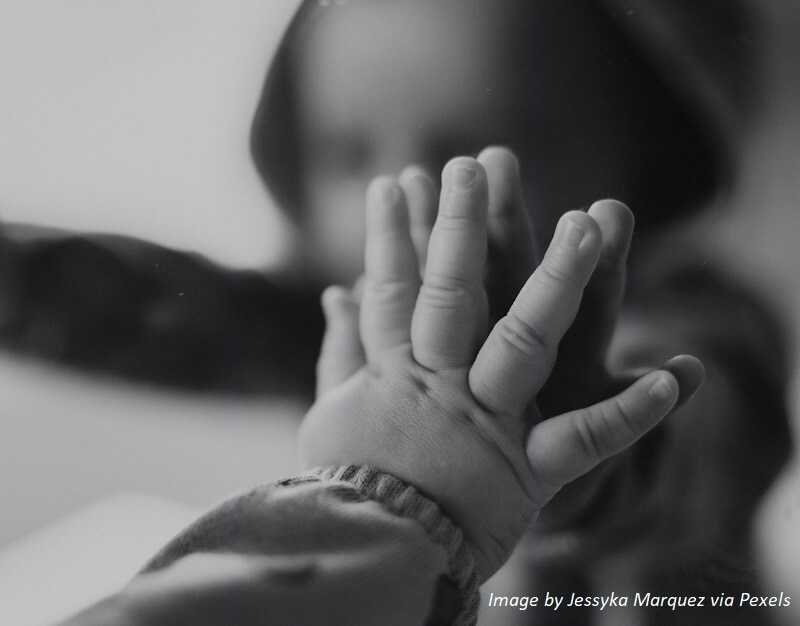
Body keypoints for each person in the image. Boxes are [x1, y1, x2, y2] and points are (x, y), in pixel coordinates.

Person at [250, 2, 791, 624]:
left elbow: (708, 440)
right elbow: (228, 327)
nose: (407, 193)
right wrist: (150, 304)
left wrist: (590, 467)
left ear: (643, 152)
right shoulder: (352, 317)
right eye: (346, 154)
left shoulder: (702, 317)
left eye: (472, 154)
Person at [58, 156, 703, 626]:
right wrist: (393, 502)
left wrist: (595, 481)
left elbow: (713, 421)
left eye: (458, 138)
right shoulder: (316, 328)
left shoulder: (690, 309)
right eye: (350, 151)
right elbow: (140, 306)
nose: (417, 176)